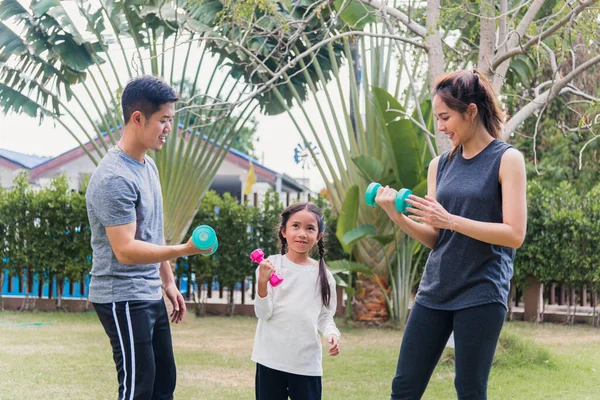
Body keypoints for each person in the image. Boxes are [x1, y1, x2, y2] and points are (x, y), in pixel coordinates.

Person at [375, 70, 527, 400]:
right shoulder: (439, 164)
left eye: (445, 117)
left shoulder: (507, 160)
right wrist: (394, 213)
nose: (441, 127)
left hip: (481, 291)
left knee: (469, 389)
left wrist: (451, 220)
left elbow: (515, 234)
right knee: (404, 387)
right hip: (435, 289)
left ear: (470, 111)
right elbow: (435, 236)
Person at [86, 75, 210, 399]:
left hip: (148, 291)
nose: (169, 128)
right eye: (164, 120)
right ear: (137, 118)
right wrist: (185, 249)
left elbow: (152, 233)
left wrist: (168, 282)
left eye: (171, 120)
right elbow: (125, 250)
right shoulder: (114, 177)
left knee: (162, 383)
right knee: (138, 388)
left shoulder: (148, 166)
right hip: (121, 295)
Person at [251, 202, 341, 400]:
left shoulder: (324, 276)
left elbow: (325, 317)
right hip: (270, 360)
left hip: (306, 364)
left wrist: (332, 333)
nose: (302, 233)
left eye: (310, 228)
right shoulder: (269, 266)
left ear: (318, 237)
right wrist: (262, 283)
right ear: (283, 231)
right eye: (295, 226)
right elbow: (263, 313)